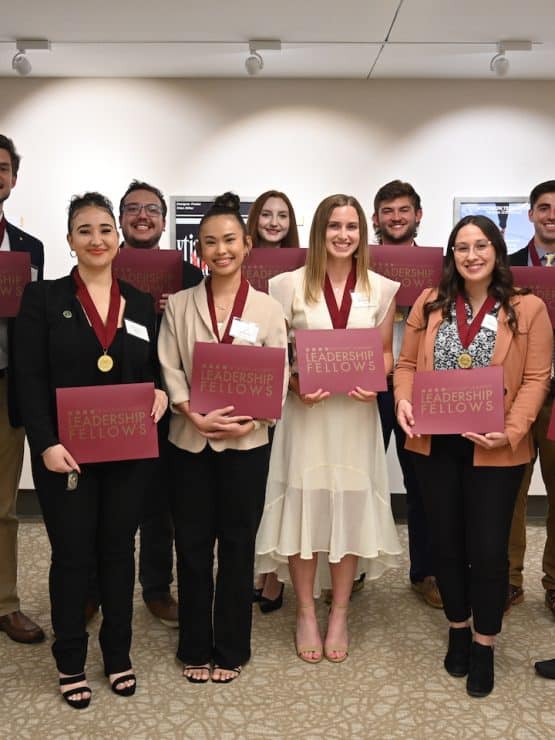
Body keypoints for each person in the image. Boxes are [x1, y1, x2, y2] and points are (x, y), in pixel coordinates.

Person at [15, 192, 168, 708]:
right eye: (85, 230)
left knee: (118, 554)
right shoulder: (43, 300)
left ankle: (118, 655)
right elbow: (29, 379)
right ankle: (70, 661)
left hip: (126, 454)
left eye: (105, 229)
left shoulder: (141, 303)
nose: (97, 239)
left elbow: (150, 372)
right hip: (67, 457)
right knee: (72, 557)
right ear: (69, 241)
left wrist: (163, 390)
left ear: (118, 238)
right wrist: (45, 444)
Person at [395, 214, 552, 697]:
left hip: (496, 449)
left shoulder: (527, 309)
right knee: (446, 543)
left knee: (487, 551)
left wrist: (509, 431)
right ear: (452, 255)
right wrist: (403, 398)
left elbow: (536, 378)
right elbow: (405, 363)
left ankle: (484, 642)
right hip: (436, 444)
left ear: (497, 250)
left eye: (481, 245)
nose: (472, 255)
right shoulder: (431, 302)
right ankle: (458, 628)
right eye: (462, 247)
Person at [255, 194, 401, 664]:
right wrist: (294, 384)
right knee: (306, 504)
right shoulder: (285, 286)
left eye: (352, 227)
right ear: (318, 232)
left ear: (363, 232)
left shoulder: (380, 287)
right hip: (308, 416)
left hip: (355, 418)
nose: (343, 235)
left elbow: (384, 353)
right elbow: (276, 356)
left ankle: (338, 612)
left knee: (350, 506)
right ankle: (304, 612)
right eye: (334, 226)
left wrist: (375, 381)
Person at [158, 192, 288, 684]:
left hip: (246, 445)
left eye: (230, 240)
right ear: (200, 250)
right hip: (189, 442)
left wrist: (252, 421)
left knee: (237, 545)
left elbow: (277, 376)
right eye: (210, 242)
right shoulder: (182, 304)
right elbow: (169, 364)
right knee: (191, 545)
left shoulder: (269, 309)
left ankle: (231, 646)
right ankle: (194, 643)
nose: (221, 250)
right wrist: (191, 412)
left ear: (247, 243)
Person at [117, 180, 202, 627]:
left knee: (161, 504)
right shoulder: (102, 266)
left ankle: (155, 588)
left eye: (151, 209)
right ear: (121, 219)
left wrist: (181, 307)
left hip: (171, 401)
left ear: (165, 222)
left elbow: (205, 336)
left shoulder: (188, 276)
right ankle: (96, 589)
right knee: (106, 502)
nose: (143, 216)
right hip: (113, 400)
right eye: (133, 209)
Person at [372, 180, 441, 609]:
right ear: (376, 218)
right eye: (387, 211)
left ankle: (426, 572)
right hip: (368, 381)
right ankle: (352, 569)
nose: (396, 218)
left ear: (418, 215)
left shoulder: (440, 270)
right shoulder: (359, 268)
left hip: (419, 385)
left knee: (423, 482)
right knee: (358, 475)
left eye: (404, 210)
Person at [0, 134, 45, 645]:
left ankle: (6, 602)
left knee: (3, 504)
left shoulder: (30, 249)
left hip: (6, 387)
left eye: (4, 167)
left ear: (14, 177)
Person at [247, 189, 300, 612]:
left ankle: (274, 577)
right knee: (260, 484)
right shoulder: (237, 262)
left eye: (282, 215)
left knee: (281, 481)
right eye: (266, 214)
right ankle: (260, 568)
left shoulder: (301, 272)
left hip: (291, 383)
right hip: (246, 380)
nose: (274, 222)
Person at [506, 180, 555, 613]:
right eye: (544, 208)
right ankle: (507, 580)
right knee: (509, 491)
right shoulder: (507, 269)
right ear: (532, 215)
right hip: (517, 394)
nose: (551, 215)